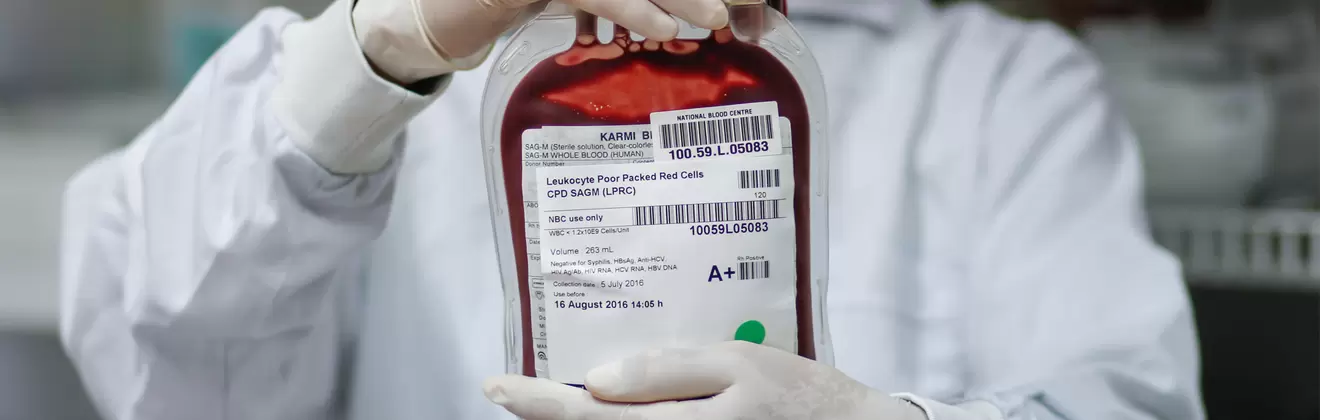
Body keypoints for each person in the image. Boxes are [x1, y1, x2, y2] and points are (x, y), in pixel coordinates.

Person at [57, 0, 1206, 418]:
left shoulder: (995, 86)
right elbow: (156, 360)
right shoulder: (436, 70)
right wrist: (382, 46)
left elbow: (1126, 403)